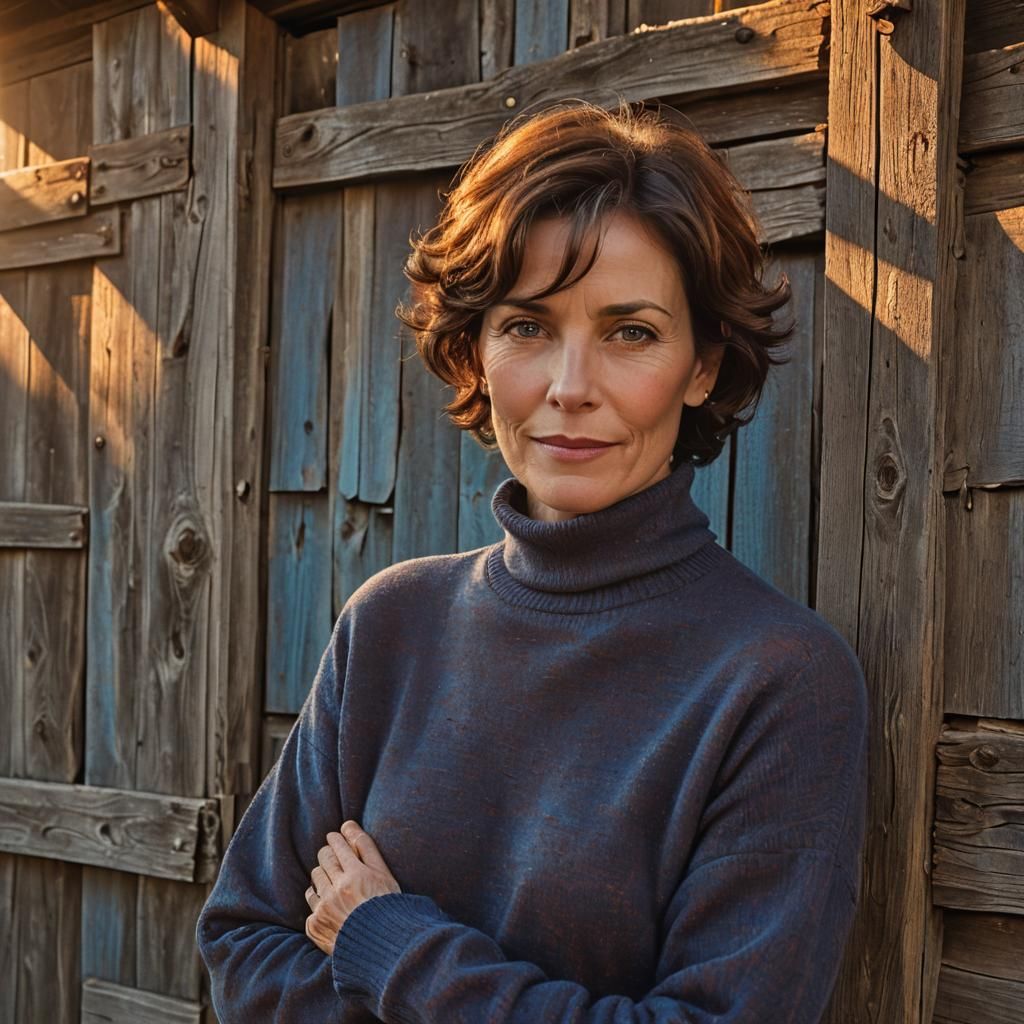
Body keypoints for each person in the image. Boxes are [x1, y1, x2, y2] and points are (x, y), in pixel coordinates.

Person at [197, 102, 868, 1023]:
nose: (570, 387)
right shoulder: (392, 623)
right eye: (527, 326)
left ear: (703, 366)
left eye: (631, 332)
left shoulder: (778, 683)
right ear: (474, 350)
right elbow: (245, 946)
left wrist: (386, 941)